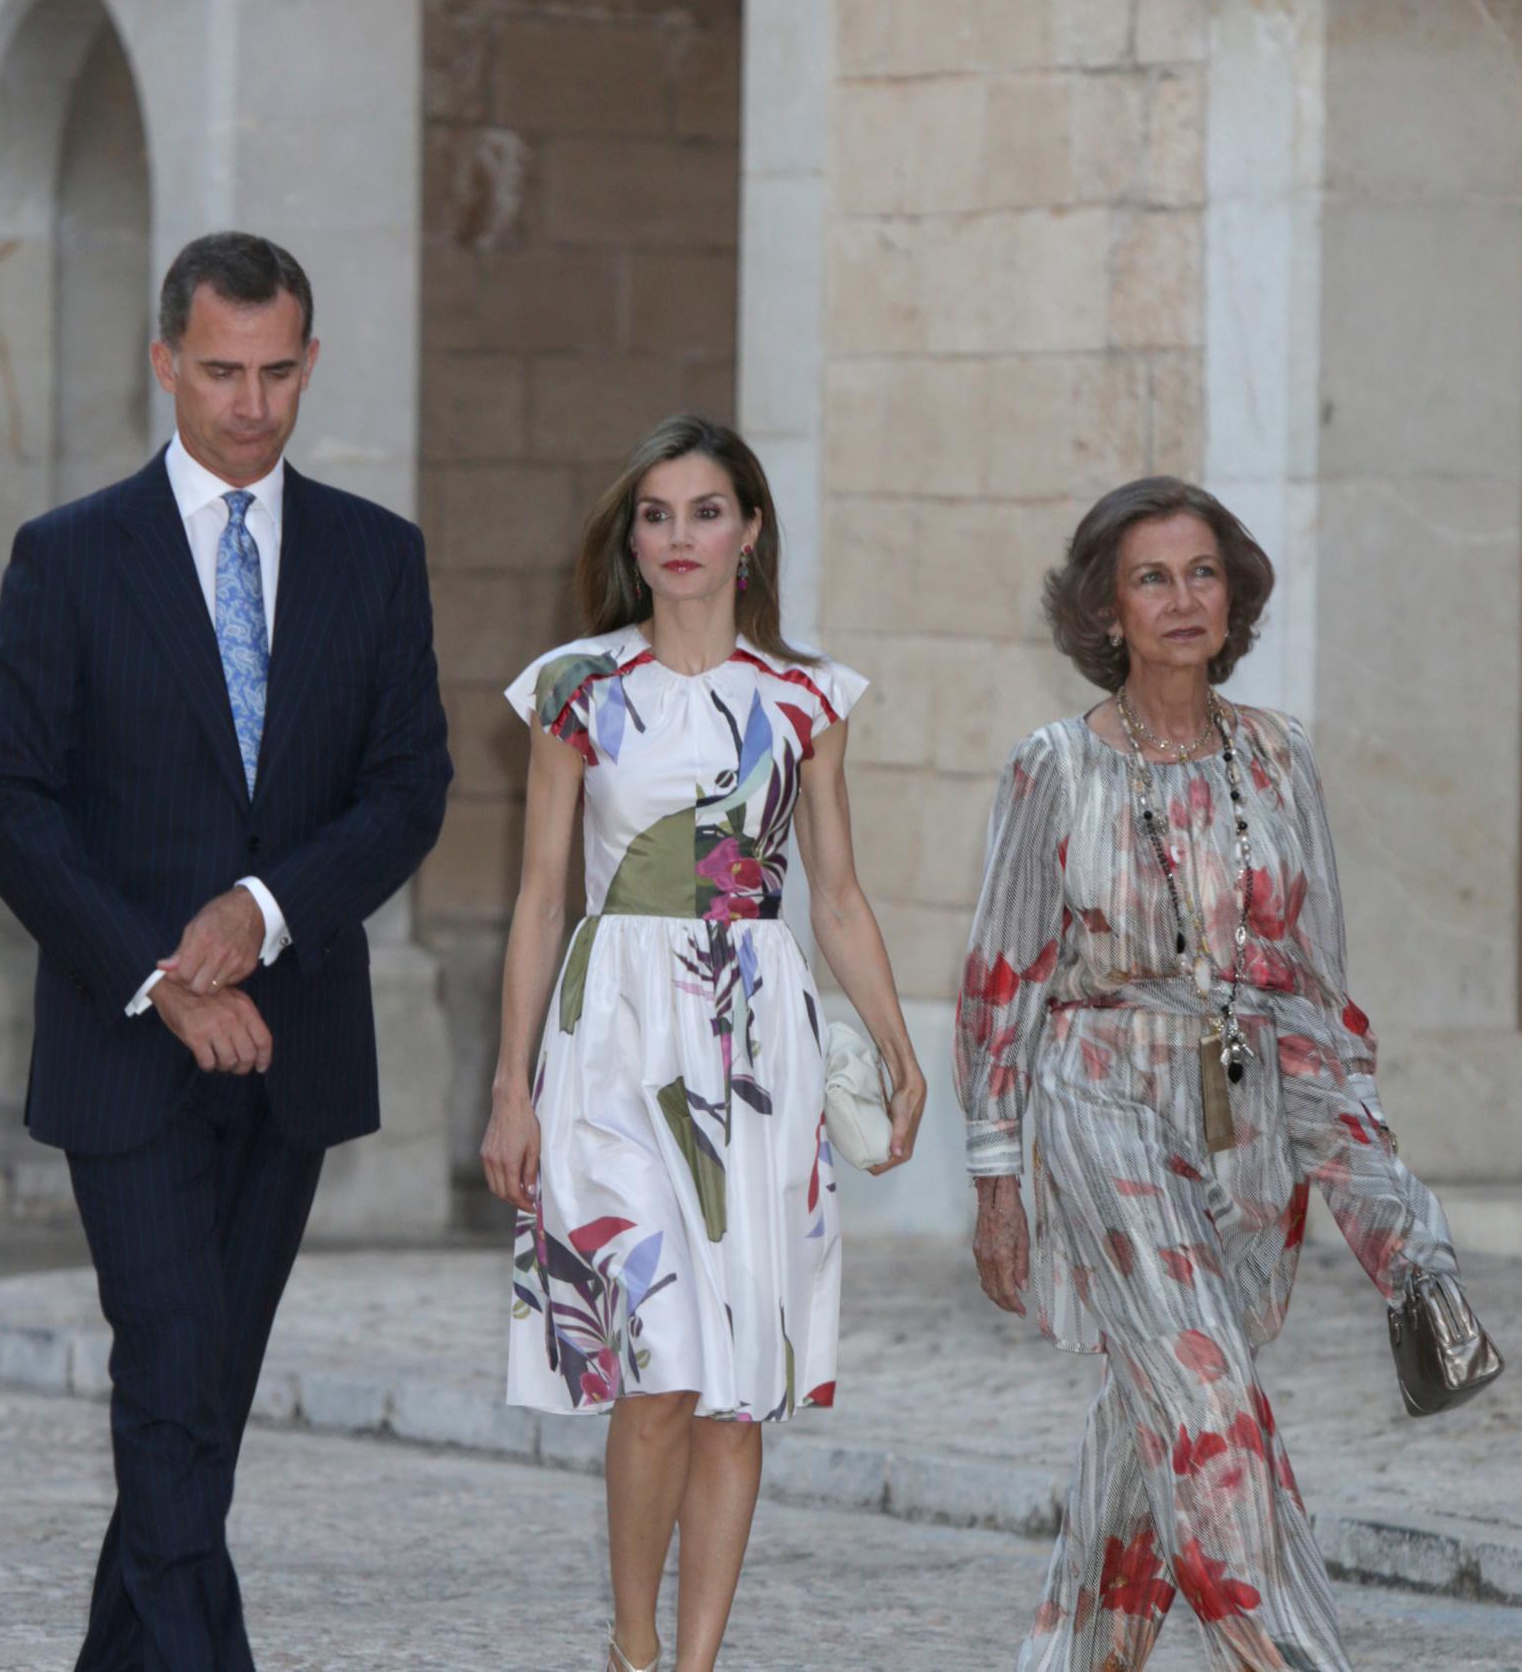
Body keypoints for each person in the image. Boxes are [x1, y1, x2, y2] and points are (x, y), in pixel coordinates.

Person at [0, 232, 452, 1672]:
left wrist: (263, 910)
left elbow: (407, 786)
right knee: (173, 1366)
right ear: (165, 360)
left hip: (295, 1046)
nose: (250, 403)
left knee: (201, 1401)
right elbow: (8, 799)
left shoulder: (376, 554)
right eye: (222, 370)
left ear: (310, 363)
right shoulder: (66, 557)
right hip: (125, 1044)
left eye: (278, 371)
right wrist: (166, 974)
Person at [957, 477, 1468, 1671]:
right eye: (1150, 577)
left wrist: (1392, 1219)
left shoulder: (1279, 757)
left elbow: (1317, 991)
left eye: (1201, 573)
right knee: (1203, 1400)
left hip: (1253, 1116)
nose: (1182, 599)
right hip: (1097, 1095)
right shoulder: (1053, 768)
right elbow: (998, 980)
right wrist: (994, 1174)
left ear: (1231, 594)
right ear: (1104, 609)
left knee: (1154, 1421)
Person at [482, 413, 927, 1672]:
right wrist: (510, 1084)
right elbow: (535, 896)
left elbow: (833, 893)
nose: (678, 536)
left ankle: (695, 1663)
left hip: (757, 1042)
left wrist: (897, 1048)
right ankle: (630, 1649)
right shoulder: (575, 686)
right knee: (658, 1361)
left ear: (751, 529)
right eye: (655, 514)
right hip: (613, 1035)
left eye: (704, 510)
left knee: (738, 1379)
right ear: (633, 535)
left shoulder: (807, 698)